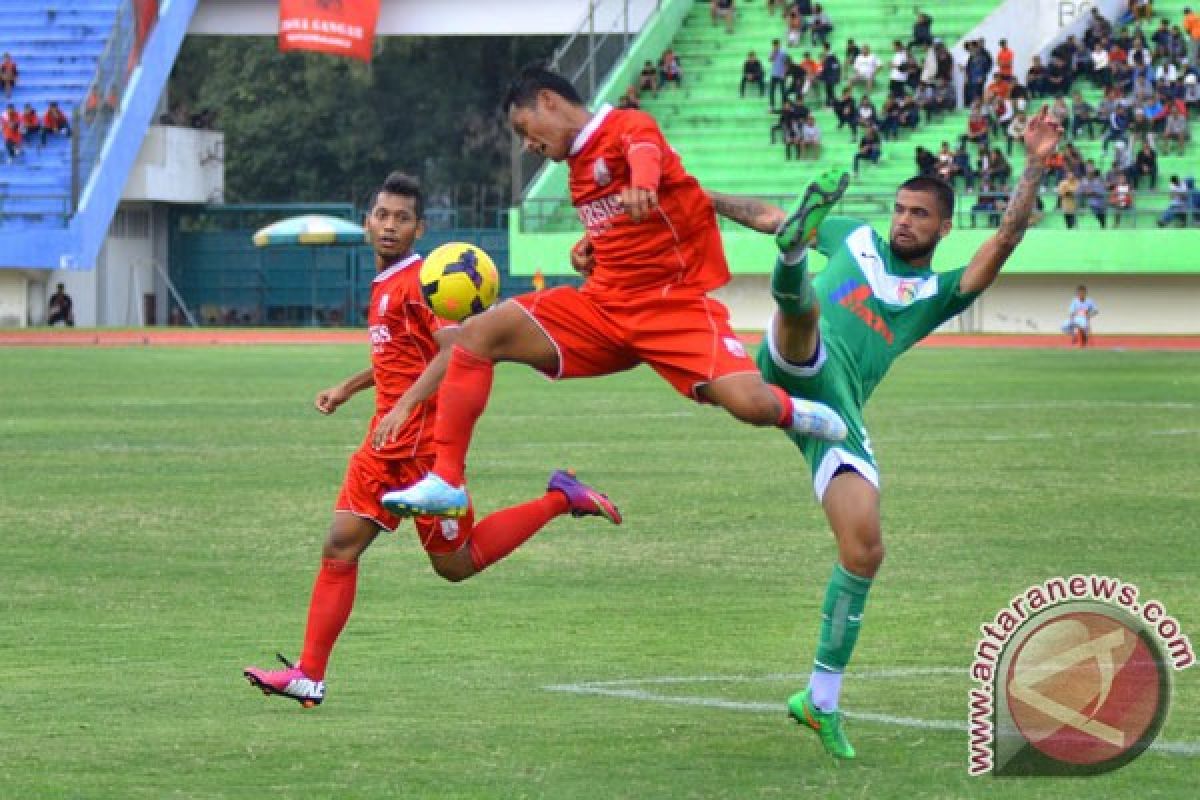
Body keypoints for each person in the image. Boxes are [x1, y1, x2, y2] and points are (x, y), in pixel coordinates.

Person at [691, 107, 1064, 760]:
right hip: (798, 357)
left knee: (864, 550)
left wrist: (1034, 161)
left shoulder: (939, 291)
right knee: (802, 309)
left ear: (944, 226)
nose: (904, 221)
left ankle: (820, 700)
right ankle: (791, 270)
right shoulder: (856, 237)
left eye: (920, 215)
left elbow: (1005, 237)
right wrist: (694, 195)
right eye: (900, 209)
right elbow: (760, 213)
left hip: (835, 412)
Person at [383, 65, 848, 521]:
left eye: (525, 130)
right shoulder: (576, 171)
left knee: (754, 406)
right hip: (603, 308)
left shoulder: (627, 124)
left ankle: (804, 414)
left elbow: (644, 150)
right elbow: (618, 230)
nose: (528, 145)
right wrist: (589, 248)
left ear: (548, 101)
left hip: (672, 308)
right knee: (478, 333)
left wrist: (643, 184)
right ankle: (447, 481)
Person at [243, 172, 623, 707]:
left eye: (402, 218)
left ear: (419, 227)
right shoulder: (384, 284)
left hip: (423, 448)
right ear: (368, 221)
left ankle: (560, 498)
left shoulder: (426, 282)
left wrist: (404, 405)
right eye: (382, 215)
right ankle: (310, 674)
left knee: (456, 563)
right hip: (383, 444)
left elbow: (457, 350)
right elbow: (399, 356)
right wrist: (349, 387)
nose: (390, 225)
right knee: (339, 547)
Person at [769, 39, 788, 110]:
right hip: (774, 73)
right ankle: (771, 106)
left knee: (783, 90)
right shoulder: (772, 52)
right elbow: (770, 59)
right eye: (774, 45)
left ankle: (784, 105)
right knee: (772, 90)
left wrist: (784, 73)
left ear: (779, 44)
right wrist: (774, 52)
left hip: (781, 74)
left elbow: (786, 63)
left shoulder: (783, 52)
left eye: (777, 45)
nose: (776, 46)